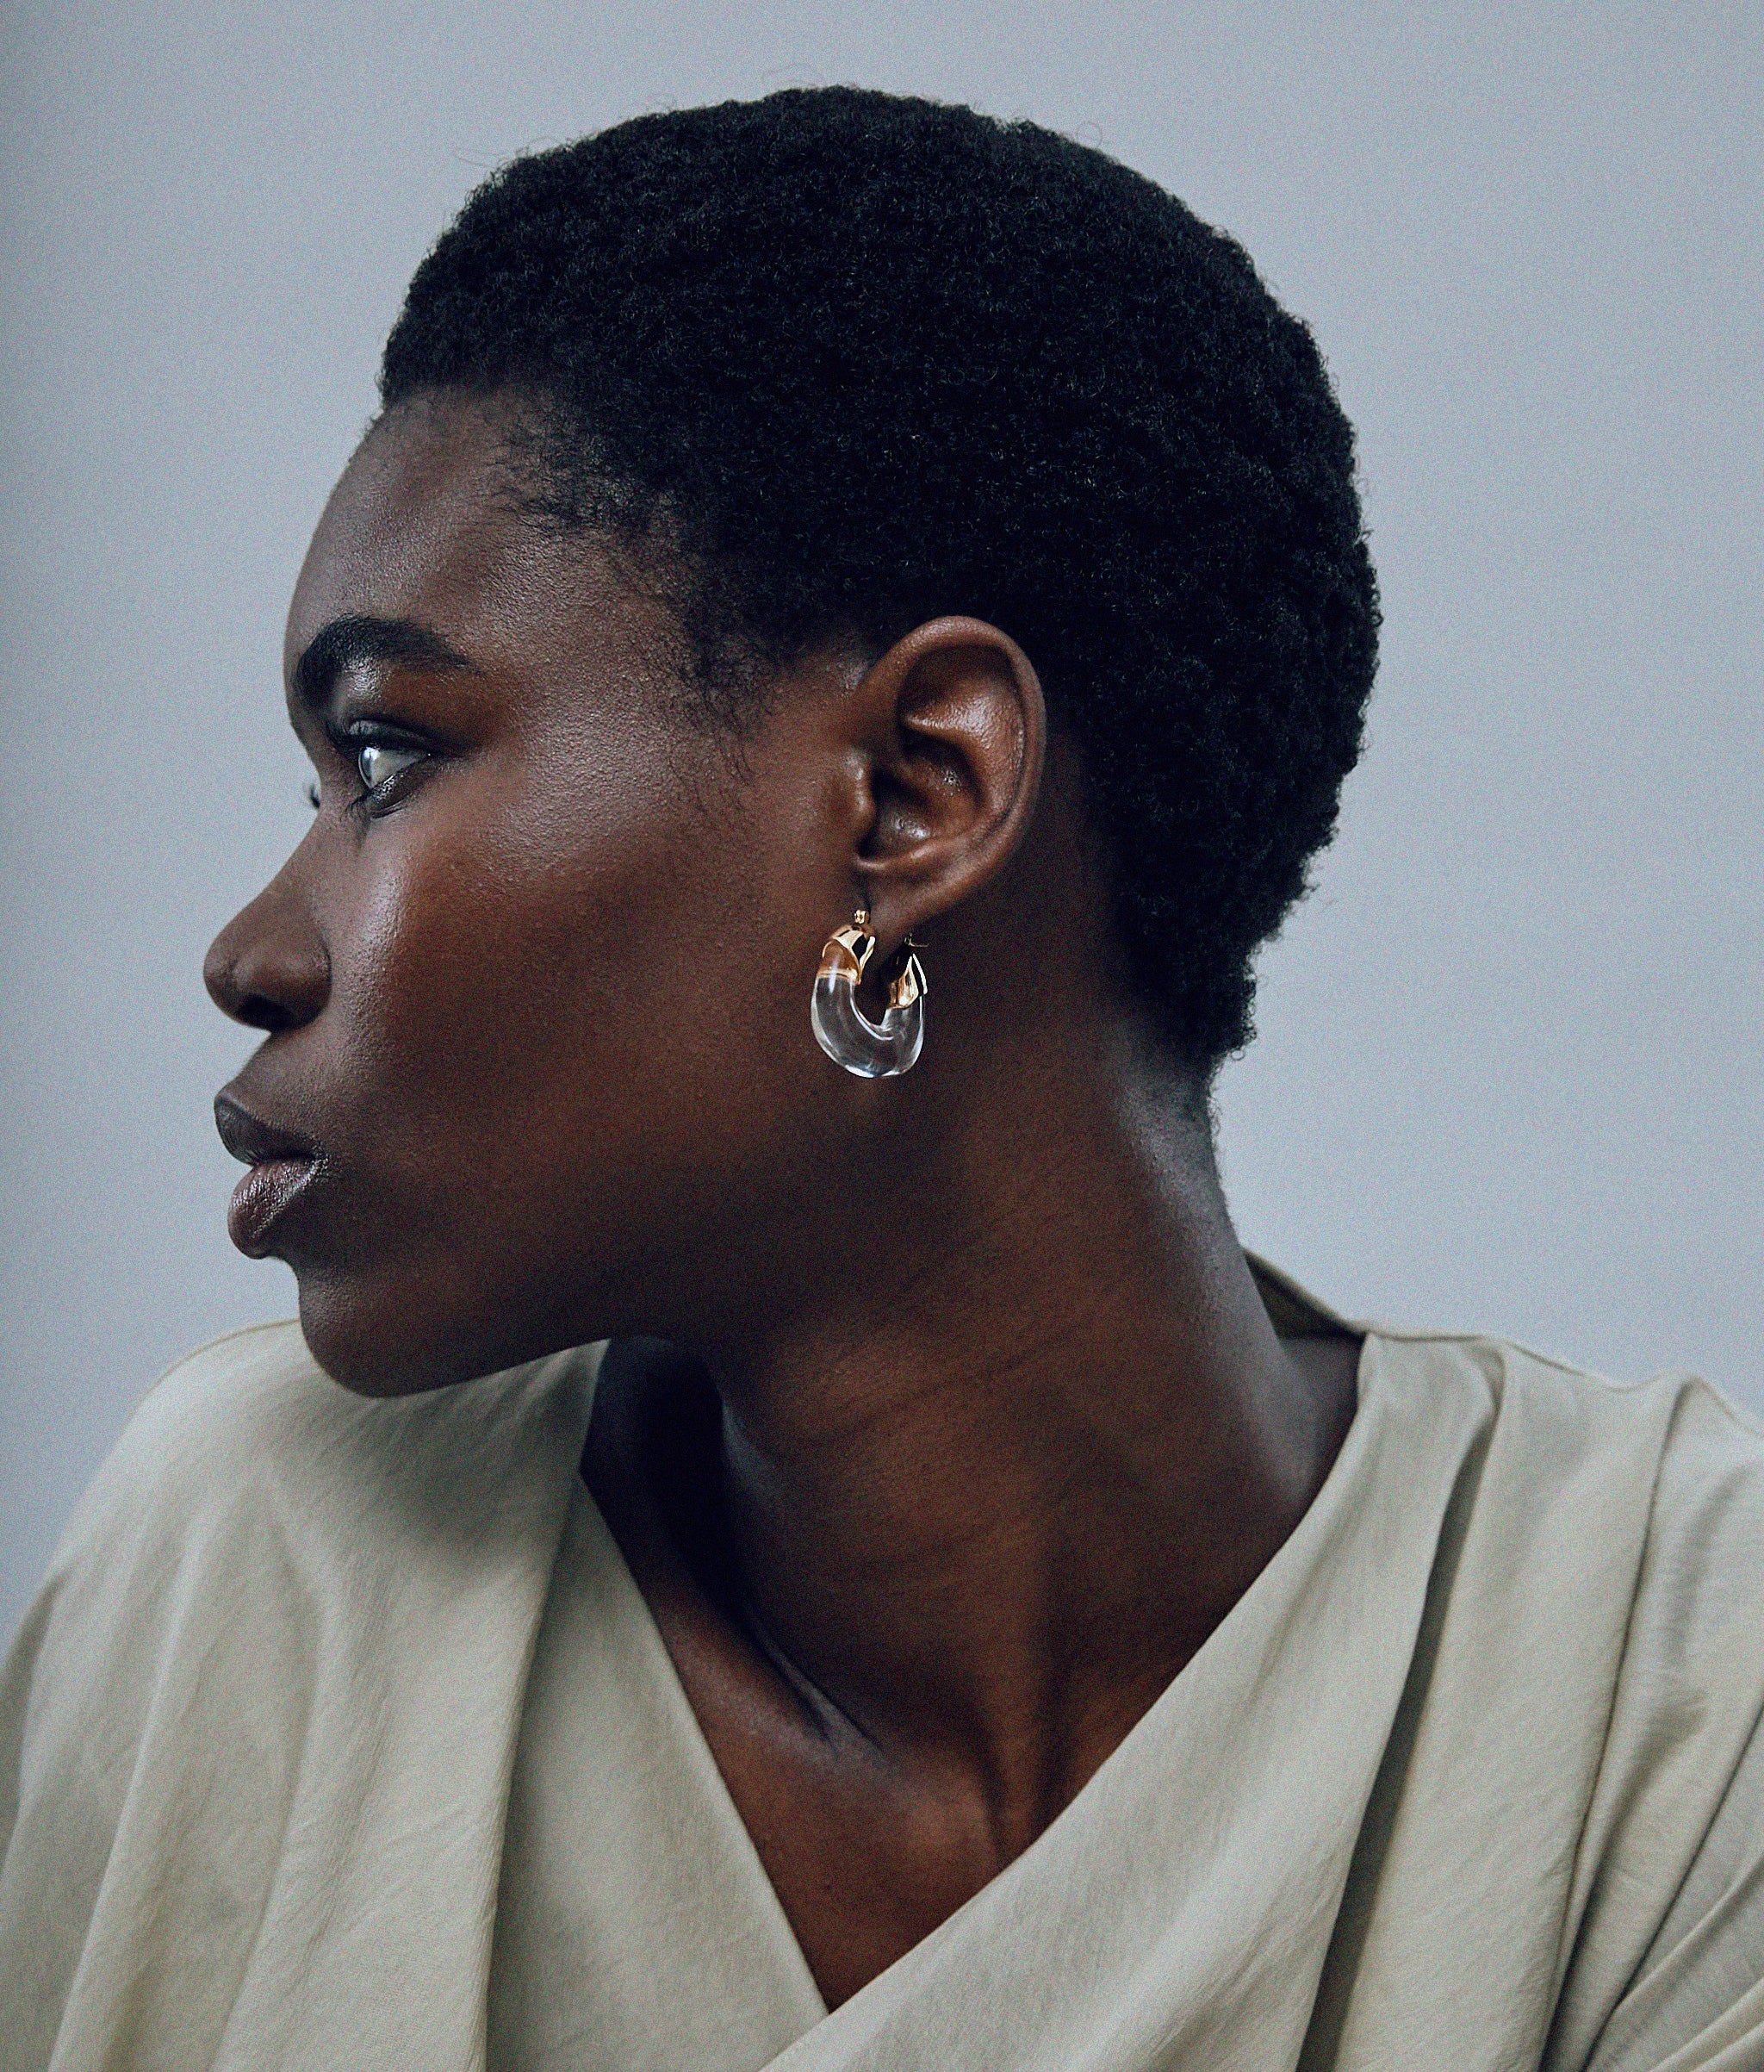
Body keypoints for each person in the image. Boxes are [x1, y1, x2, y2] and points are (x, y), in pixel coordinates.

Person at [2, 85, 1760, 2072]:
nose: (255, 951)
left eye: (389, 755)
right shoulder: (255, 1558)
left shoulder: (1670, 1681)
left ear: (915, 795)